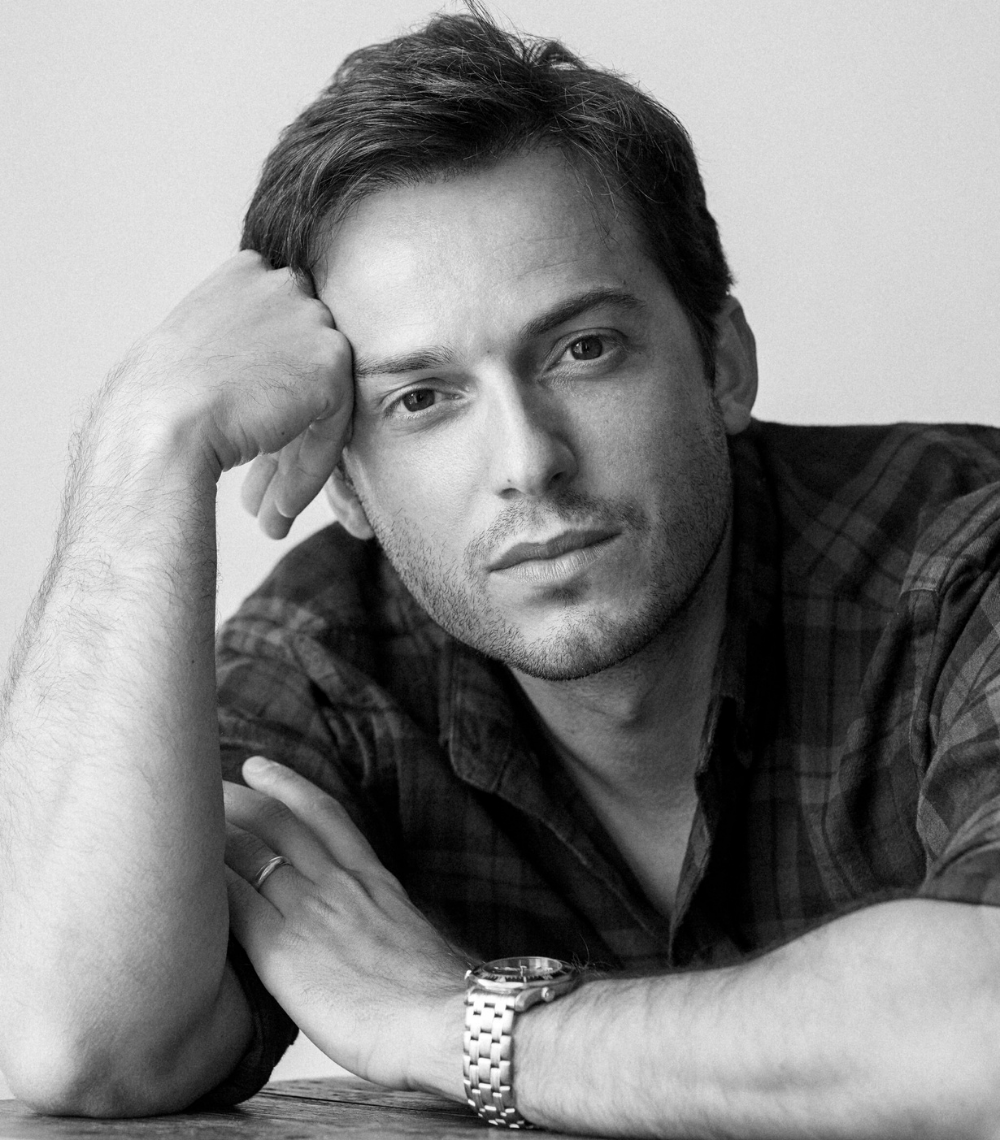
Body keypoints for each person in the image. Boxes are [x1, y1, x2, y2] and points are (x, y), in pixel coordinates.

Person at [2, 7, 1000, 1136]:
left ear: (722, 362)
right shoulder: (340, 661)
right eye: (422, 399)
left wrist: (454, 1024)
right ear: (345, 483)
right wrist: (144, 447)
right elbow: (85, 1044)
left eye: (583, 349)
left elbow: (982, 1028)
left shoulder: (967, 560)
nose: (527, 463)